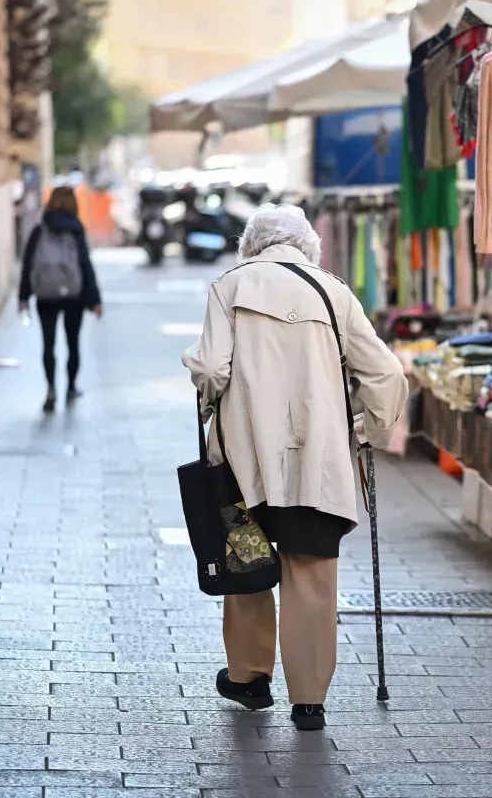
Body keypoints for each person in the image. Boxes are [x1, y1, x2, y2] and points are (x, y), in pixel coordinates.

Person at [183, 203, 407, 731]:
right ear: (309, 246)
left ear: (251, 245)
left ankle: (249, 678)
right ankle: (309, 702)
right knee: (311, 575)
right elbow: (387, 374)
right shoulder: (334, 291)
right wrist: (369, 431)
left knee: (248, 567)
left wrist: (209, 403)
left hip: (243, 462)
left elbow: (211, 369)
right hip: (317, 462)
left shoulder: (229, 286)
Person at [18, 186, 103, 412]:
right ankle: (71, 387)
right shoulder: (76, 229)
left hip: (45, 295)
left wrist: (23, 297)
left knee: (48, 344)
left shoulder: (40, 230)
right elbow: (85, 265)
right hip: (73, 295)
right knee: (72, 343)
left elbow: (28, 264)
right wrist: (94, 299)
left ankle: (51, 389)